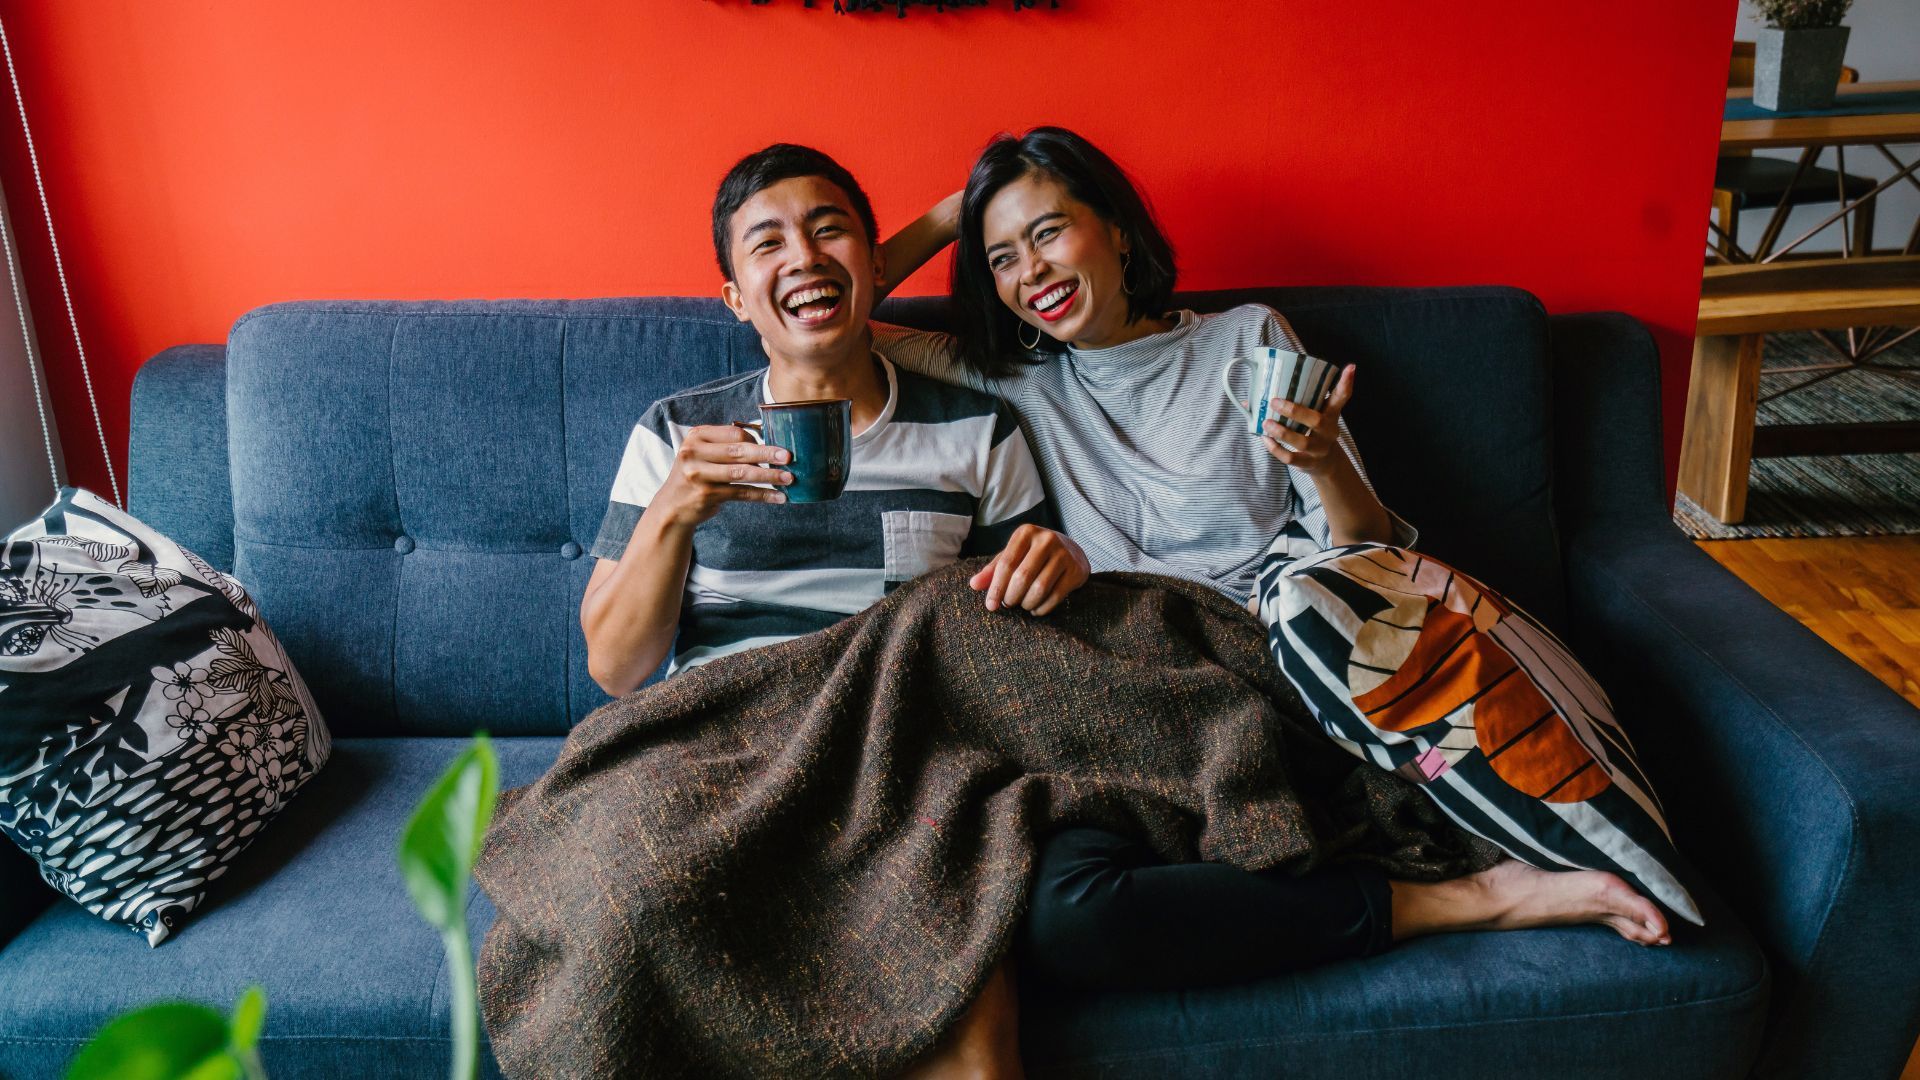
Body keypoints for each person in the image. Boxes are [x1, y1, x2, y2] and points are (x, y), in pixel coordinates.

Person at [871, 126, 1673, 1077]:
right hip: (1131, 697)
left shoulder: (1245, 340)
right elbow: (838, 317)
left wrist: (1324, 459)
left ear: (1117, 230)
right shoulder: (1019, 382)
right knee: (1065, 915)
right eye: (1002, 257)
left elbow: (1363, 556)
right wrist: (962, 206)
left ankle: (1478, 891)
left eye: (1049, 233)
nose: (1030, 271)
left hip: (1274, 675)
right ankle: (1451, 897)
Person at [580, 144, 1092, 701]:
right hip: (722, 723)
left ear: (877, 264)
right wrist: (672, 512)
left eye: (828, 230)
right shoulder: (675, 434)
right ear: (737, 300)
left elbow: (1021, 635)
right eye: (768, 243)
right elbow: (615, 670)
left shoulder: (980, 428)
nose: (805, 257)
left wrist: (1062, 564)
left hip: (897, 722)